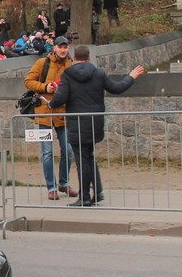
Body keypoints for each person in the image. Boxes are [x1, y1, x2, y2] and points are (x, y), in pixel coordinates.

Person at [49, 45, 144, 206]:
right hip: (94, 122)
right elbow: (117, 88)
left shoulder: (67, 75)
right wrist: (131, 76)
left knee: (82, 161)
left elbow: (60, 99)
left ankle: (85, 197)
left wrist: (52, 101)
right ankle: (97, 191)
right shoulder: (98, 73)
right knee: (89, 156)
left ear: (75, 58)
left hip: (77, 122)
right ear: (88, 58)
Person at [24, 36, 74, 200]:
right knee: (47, 153)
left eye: (65, 47)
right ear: (54, 48)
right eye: (60, 47)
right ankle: (51, 187)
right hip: (44, 114)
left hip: (63, 114)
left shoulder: (71, 65)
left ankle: (64, 184)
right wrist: (46, 87)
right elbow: (28, 82)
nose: (63, 50)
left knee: (68, 150)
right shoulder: (42, 63)